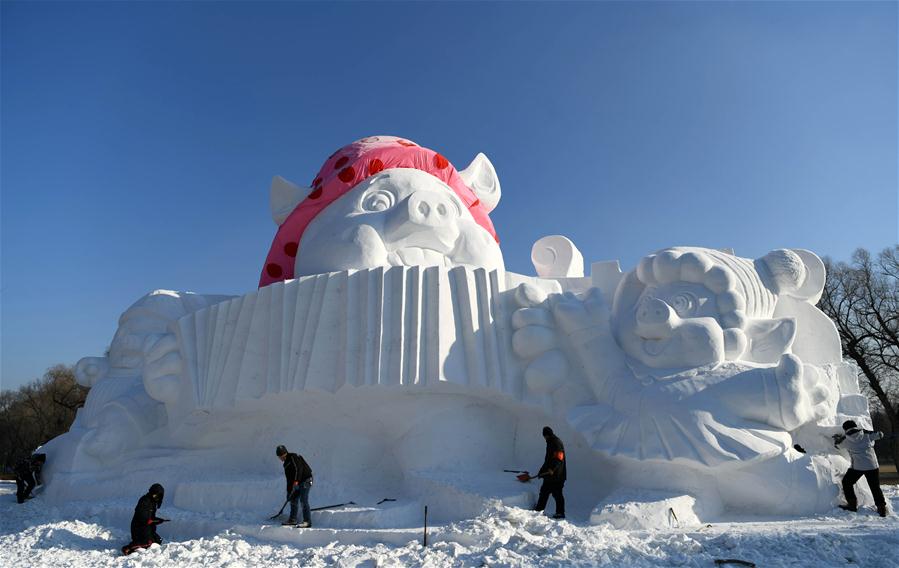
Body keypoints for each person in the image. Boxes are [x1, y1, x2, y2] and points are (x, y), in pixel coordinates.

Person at [833, 420, 887, 517]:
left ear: (845, 429)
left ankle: (852, 505)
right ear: (856, 426)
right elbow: (880, 434)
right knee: (875, 487)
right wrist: (868, 432)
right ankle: (882, 508)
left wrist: (838, 439)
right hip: (872, 466)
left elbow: (837, 446)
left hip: (858, 467)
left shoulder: (846, 440)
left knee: (847, 483)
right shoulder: (867, 435)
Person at [122, 483, 168, 555]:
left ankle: (139, 545)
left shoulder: (153, 503)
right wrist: (154, 521)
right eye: (155, 495)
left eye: (158, 496)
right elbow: (143, 517)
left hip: (147, 529)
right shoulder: (144, 500)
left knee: (158, 541)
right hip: (139, 528)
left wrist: (160, 520)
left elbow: (151, 518)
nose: (156, 497)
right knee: (148, 543)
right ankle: (128, 548)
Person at [533, 426, 566, 519]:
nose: (545, 438)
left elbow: (559, 457)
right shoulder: (551, 442)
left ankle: (560, 513)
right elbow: (548, 460)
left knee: (557, 494)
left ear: (547, 435)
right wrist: (541, 471)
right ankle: (539, 510)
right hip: (550, 475)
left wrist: (552, 468)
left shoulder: (556, 442)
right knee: (544, 492)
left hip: (557, 475)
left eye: (545, 436)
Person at [276, 445, 313, 527]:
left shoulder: (293, 457)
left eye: (282, 456)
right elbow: (289, 479)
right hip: (298, 482)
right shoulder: (285, 464)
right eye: (279, 457)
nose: (281, 458)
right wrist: (289, 492)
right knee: (293, 498)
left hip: (307, 479)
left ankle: (307, 522)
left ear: (285, 453)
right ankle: (292, 520)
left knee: (303, 499)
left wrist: (296, 481)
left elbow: (298, 469)